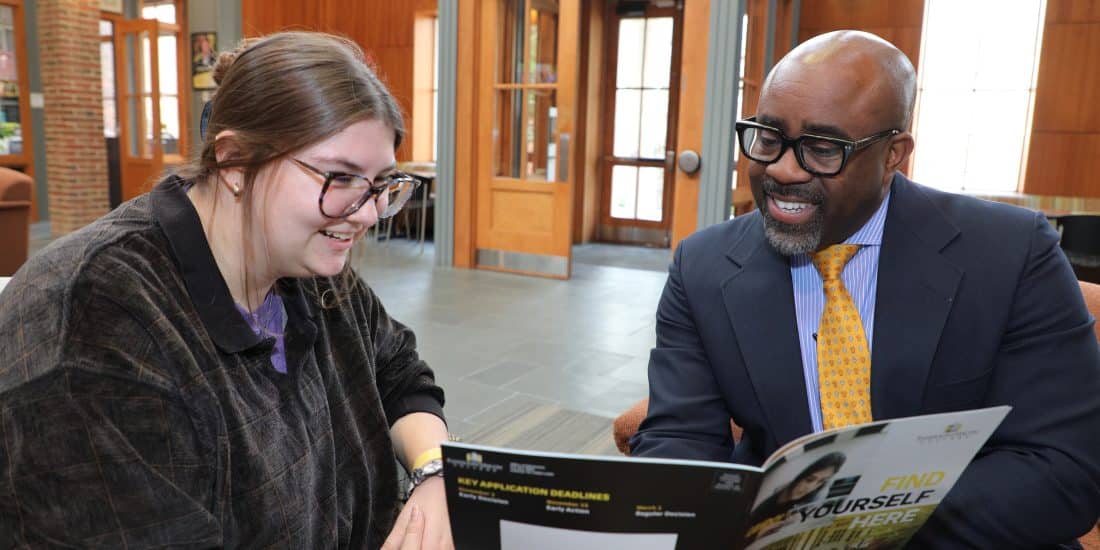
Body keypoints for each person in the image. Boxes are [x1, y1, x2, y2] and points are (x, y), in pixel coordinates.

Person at [630, 29, 1100, 548]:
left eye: (822, 148)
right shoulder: (702, 267)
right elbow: (679, 441)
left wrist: (847, 524)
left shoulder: (1012, 253)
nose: (783, 169)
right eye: (767, 137)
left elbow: (1064, 471)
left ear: (894, 154)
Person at [0, 32, 453, 549]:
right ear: (235, 162)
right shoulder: (94, 323)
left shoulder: (308, 264)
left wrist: (434, 475)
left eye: (380, 185)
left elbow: (397, 372)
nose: (369, 213)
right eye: (341, 178)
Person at [747, 452, 846, 537]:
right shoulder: (779, 488)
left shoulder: (803, 509)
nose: (811, 488)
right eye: (809, 479)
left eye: (820, 482)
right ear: (803, 474)